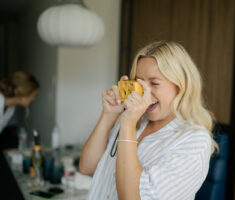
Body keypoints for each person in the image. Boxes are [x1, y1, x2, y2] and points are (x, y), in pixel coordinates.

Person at [80, 41, 218, 200]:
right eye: (139, 83)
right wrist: (108, 115)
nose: (143, 93)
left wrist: (128, 124)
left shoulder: (193, 141)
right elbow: (87, 167)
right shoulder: (135, 118)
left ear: (181, 86)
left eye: (154, 83)